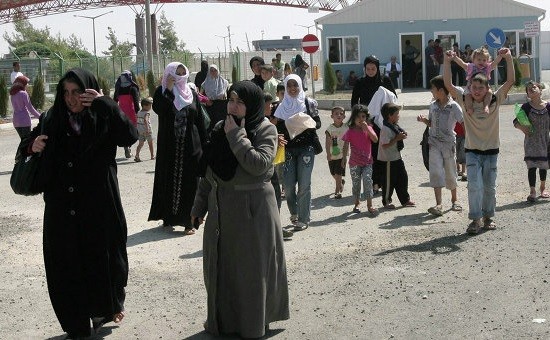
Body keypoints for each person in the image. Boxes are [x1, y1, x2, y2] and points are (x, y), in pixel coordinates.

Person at [20, 68, 137, 338]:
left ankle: (104, 308)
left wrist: (105, 102)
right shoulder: (53, 118)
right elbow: (27, 144)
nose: (71, 99)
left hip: (99, 206)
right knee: (65, 265)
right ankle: (75, 323)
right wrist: (32, 145)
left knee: (105, 260)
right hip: (62, 208)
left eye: (78, 92)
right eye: (66, 93)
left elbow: (129, 136)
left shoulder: (102, 115)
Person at [191, 81, 290, 338]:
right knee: (222, 269)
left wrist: (236, 135)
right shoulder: (219, 127)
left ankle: (253, 325)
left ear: (252, 105)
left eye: (240, 102)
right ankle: (225, 322)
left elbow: (258, 165)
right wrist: (199, 206)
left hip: (253, 210)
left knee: (251, 272)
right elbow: (209, 171)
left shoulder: (265, 129)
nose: (233, 107)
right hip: (222, 210)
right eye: (231, 100)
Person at [443, 47, 515, 235]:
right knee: (474, 186)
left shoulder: (494, 100)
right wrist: (447, 61)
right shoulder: (466, 102)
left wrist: (507, 58)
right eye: (473, 87)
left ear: (486, 88)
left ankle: (488, 217)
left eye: (480, 87)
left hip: (491, 151)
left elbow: (510, 81)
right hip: (472, 151)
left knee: (489, 187)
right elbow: (448, 85)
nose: (476, 91)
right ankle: (475, 219)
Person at [148, 62, 208, 234]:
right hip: (170, 147)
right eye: (176, 72)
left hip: (191, 146)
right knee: (169, 181)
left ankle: (189, 222)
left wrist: (206, 144)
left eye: (182, 72)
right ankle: (169, 217)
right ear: (169, 74)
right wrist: (167, 89)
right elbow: (160, 109)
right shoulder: (161, 93)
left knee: (190, 183)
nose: (180, 76)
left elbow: (200, 122)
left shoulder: (191, 94)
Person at [274, 74, 321, 231]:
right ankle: (294, 212)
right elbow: (276, 128)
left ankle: (303, 218)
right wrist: (288, 125)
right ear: (286, 88)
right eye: (289, 86)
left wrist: (303, 121)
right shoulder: (281, 107)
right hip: (288, 149)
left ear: (300, 86)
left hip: (306, 148)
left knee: (304, 184)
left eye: (295, 85)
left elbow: (318, 123)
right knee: (287, 186)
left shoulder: (309, 103)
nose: (293, 89)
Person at [416, 75, 464, 216]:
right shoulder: (432, 105)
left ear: (441, 90)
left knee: (450, 171)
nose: (431, 91)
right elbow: (431, 124)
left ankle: (455, 200)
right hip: (434, 143)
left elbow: (463, 122)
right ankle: (438, 204)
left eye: (433, 89)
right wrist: (424, 121)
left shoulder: (454, 106)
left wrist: (468, 141)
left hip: (448, 144)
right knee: (436, 172)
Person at [351, 55, 397, 196]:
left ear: (378, 68)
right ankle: (373, 183)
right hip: (367, 122)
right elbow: (354, 102)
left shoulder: (385, 80)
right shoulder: (360, 82)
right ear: (364, 69)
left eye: (373, 68)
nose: (371, 71)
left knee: (381, 151)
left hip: (382, 123)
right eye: (368, 69)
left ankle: (382, 182)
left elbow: (393, 98)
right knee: (370, 153)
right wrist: (359, 119)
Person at [513, 81, 550, 202]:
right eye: (529, 89)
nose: (532, 89)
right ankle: (532, 191)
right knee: (532, 166)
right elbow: (515, 121)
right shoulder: (526, 107)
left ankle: (543, 188)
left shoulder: (548, 106)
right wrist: (522, 128)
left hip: (545, 141)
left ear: (540, 89)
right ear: (528, 94)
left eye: (534, 87)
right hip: (531, 142)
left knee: (543, 165)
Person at [341, 104, 378, 215]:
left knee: (367, 181)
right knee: (356, 184)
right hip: (354, 163)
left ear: (366, 118)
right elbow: (346, 145)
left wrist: (367, 129)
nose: (361, 119)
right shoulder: (350, 131)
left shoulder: (369, 128)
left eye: (363, 117)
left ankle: (370, 205)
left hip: (367, 162)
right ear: (353, 118)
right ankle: (357, 203)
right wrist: (344, 158)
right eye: (358, 117)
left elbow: (375, 140)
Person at [378, 103, 415, 209]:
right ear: (390, 115)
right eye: (397, 114)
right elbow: (384, 145)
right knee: (389, 181)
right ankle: (386, 201)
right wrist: (397, 139)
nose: (398, 116)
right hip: (388, 159)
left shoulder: (394, 125)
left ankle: (405, 200)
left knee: (403, 178)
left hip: (397, 157)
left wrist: (402, 135)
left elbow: (398, 134)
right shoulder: (385, 128)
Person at [450, 46, 503, 115]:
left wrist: (500, 55)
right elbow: (462, 64)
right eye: (479, 59)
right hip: (471, 87)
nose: (481, 62)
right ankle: (469, 108)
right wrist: (455, 57)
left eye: (484, 60)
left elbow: (495, 63)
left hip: (484, 86)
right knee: (467, 96)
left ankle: (486, 106)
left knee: (489, 92)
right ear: (473, 60)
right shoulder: (471, 67)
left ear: (487, 61)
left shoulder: (487, 68)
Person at [113, 70, 140, 158]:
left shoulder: (118, 88)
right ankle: (129, 146)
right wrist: (138, 113)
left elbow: (114, 101)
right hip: (131, 112)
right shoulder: (133, 88)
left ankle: (126, 147)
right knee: (132, 131)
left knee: (124, 131)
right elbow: (136, 103)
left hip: (121, 112)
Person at [325, 106, 347, 199]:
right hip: (332, 155)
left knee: (338, 173)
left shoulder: (346, 128)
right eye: (336, 113)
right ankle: (341, 182)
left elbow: (347, 143)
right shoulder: (329, 129)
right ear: (332, 116)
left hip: (342, 155)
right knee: (333, 173)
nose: (339, 115)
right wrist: (328, 155)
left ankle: (337, 191)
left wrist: (345, 156)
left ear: (344, 116)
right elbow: (327, 143)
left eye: (341, 113)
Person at [10, 75, 41, 140]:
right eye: (26, 83)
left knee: (23, 142)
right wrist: (41, 117)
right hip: (24, 121)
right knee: (27, 143)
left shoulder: (12, 94)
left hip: (16, 122)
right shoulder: (23, 93)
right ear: (22, 84)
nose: (27, 85)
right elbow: (30, 108)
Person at [200, 64, 229, 130]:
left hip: (222, 106)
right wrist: (206, 101)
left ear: (218, 71)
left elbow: (228, 96)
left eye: (215, 70)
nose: (213, 72)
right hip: (210, 106)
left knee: (221, 125)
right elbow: (199, 96)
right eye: (211, 71)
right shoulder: (205, 83)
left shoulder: (225, 82)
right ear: (209, 72)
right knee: (211, 126)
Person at [134, 97, 155, 162]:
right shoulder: (146, 113)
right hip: (147, 131)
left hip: (140, 131)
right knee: (150, 143)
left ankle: (137, 155)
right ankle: (152, 155)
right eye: (149, 106)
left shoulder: (138, 112)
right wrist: (147, 129)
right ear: (145, 106)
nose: (150, 107)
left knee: (140, 144)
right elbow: (146, 121)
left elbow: (136, 120)